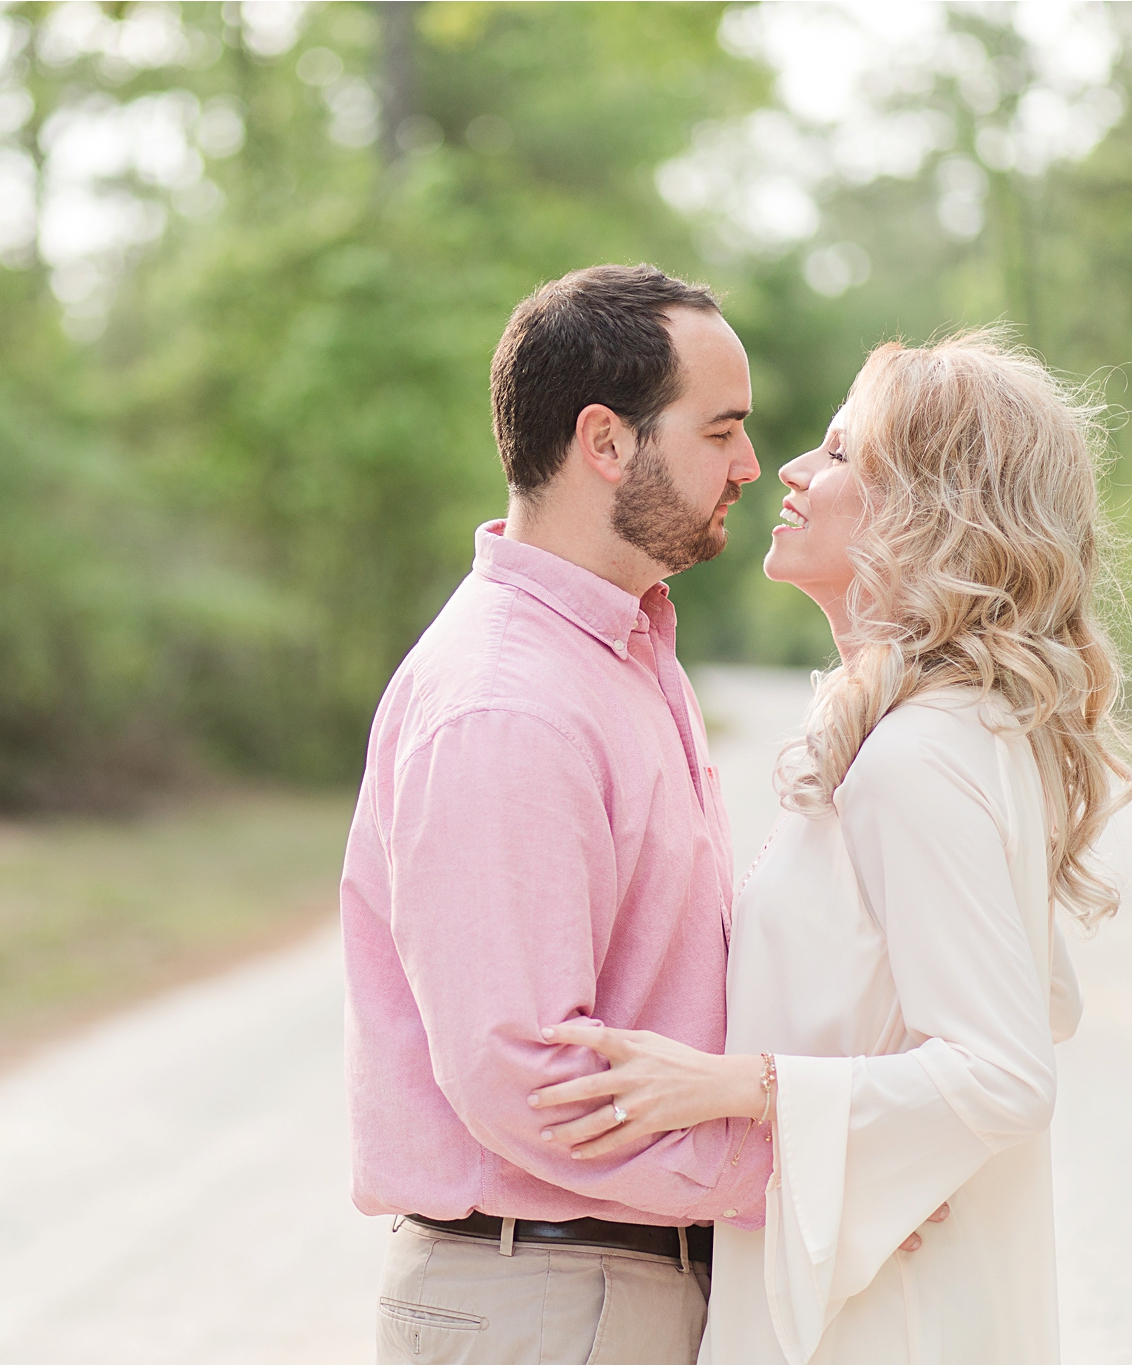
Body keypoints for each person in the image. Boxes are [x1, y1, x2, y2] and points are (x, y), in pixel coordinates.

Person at [531, 329, 1130, 1364]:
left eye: (844, 453)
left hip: (886, 1321)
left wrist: (741, 1085)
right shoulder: (952, 730)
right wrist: (877, 1132)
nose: (791, 471)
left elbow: (1002, 1072)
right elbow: (1038, 993)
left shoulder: (920, 755)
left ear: (934, 510)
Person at [340, 264, 772, 1365]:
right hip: (541, 1301)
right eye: (720, 430)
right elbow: (525, 1077)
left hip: (598, 1291)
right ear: (605, 441)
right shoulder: (506, 704)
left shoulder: (624, 654)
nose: (749, 466)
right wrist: (791, 1169)